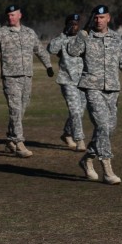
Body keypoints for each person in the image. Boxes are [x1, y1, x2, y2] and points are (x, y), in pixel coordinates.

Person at [67, 5, 122, 185]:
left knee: (108, 130)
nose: (99, 20)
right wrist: (82, 32)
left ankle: (87, 159)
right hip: (92, 88)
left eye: (102, 17)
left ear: (108, 18)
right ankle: (108, 170)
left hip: (112, 90)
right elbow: (72, 51)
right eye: (96, 18)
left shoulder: (116, 38)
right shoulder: (86, 36)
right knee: (102, 126)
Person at [0, 5, 54, 158]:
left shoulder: (29, 32)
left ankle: (10, 139)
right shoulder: (2, 32)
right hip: (10, 77)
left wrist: (48, 65)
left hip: (27, 76)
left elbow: (39, 49)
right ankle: (19, 143)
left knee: (21, 109)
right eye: (8, 15)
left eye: (13, 15)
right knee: (15, 109)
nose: (11, 18)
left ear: (20, 15)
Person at [47, 14, 87, 152]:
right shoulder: (62, 39)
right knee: (75, 111)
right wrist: (64, 34)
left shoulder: (83, 38)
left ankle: (67, 133)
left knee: (80, 111)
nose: (74, 26)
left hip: (83, 80)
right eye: (71, 23)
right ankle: (80, 140)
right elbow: (51, 49)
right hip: (67, 80)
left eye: (76, 24)